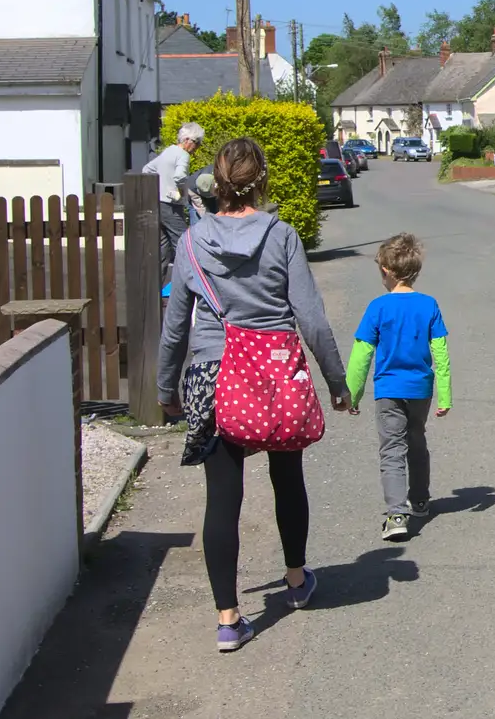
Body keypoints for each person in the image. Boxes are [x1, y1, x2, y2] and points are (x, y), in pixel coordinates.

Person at [157, 137, 351, 653]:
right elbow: (310, 317)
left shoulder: (192, 243)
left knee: (223, 497)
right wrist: (337, 381)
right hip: (273, 371)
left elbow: (176, 324)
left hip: (211, 374)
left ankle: (228, 618)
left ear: (214, 184)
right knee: (287, 478)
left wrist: (165, 389)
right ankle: (294, 582)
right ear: (261, 179)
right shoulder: (282, 235)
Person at [346, 233, 452, 542]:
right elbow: (441, 353)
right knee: (416, 440)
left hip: (388, 391)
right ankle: (419, 499)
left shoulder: (378, 308)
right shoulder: (428, 305)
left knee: (392, 449)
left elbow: (362, 352)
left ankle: (396, 514)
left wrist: (352, 393)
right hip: (421, 390)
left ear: (387, 271)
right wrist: (444, 393)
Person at [142, 122, 204, 278]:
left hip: (158, 203)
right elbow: (180, 176)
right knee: (183, 242)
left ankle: (155, 291)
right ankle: (191, 285)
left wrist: (160, 187)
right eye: (197, 143)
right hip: (171, 205)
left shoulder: (168, 151)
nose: (197, 148)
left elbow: (147, 169)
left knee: (163, 247)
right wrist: (180, 191)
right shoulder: (183, 155)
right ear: (188, 140)